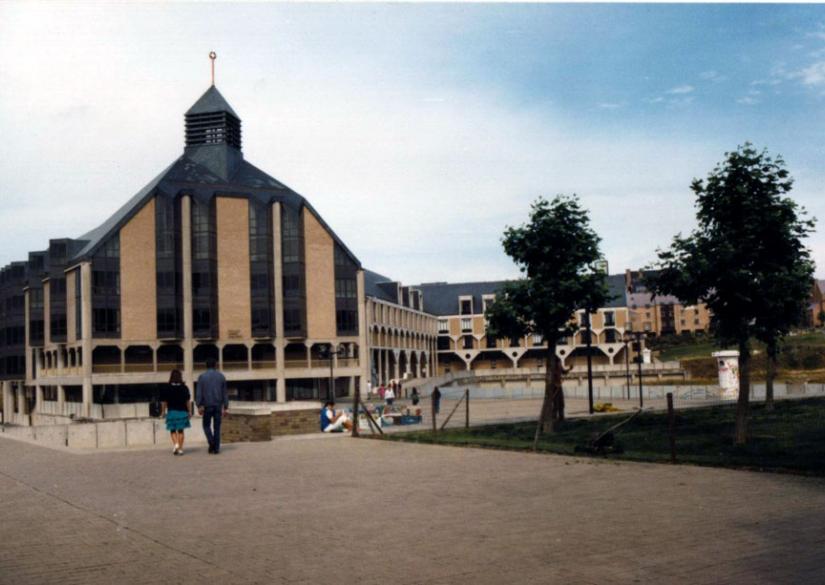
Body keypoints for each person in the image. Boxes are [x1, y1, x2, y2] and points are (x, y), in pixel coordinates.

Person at [196, 357, 228, 454]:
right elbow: (224, 393)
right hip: (218, 405)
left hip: (207, 405)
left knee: (206, 426)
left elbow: (199, 393)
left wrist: (199, 405)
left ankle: (211, 443)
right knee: (217, 427)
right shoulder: (221, 376)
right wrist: (225, 406)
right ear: (215, 365)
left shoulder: (202, 377)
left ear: (206, 365)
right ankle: (216, 448)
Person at [161, 369, 191, 456]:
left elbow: (164, 401)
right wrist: (189, 411)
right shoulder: (184, 387)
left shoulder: (167, 387)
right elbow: (187, 401)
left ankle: (176, 444)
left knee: (172, 430)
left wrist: (163, 411)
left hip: (171, 412)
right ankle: (180, 449)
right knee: (181, 430)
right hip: (182, 412)